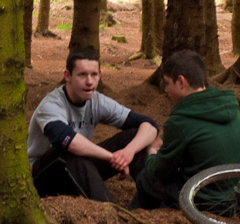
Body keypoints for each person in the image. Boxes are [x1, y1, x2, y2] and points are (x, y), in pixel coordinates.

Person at [27, 48, 159, 202]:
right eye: (82, 75)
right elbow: (66, 140)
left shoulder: (97, 101)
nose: (89, 81)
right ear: (67, 76)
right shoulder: (51, 105)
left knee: (134, 136)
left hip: (79, 165)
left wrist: (128, 152)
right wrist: (113, 158)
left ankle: (153, 201)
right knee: (71, 152)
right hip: (44, 175)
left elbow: (150, 125)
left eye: (94, 75)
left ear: (100, 76)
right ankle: (109, 211)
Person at [130, 50, 240, 209]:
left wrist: (152, 153)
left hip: (207, 199)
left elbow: (160, 170)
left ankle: (135, 214)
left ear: (181, 82)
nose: (166, 90)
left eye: (167, 83)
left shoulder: (180, 121)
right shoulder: (228, 105)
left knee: (146, 178)